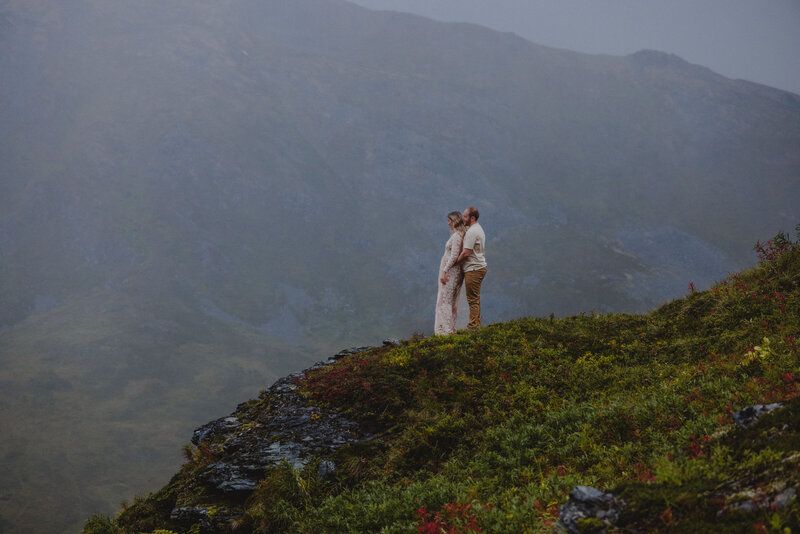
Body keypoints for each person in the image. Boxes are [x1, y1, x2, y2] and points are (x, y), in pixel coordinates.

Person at [434, 211, 466, 335]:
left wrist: (445, 270)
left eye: (450, 221)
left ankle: (445, 330)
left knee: (445, 300)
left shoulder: (457, 236)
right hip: (451, 270)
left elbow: (454, 256)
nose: (448, 223)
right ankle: (447, 328)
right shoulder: (458, 235)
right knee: (448, 299)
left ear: (455, 221)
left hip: (451, 271)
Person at [456, 206, 487, 329]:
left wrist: (455, 262)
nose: (463, 218)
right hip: (478, 267)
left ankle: (473, 327)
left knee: (472, 299)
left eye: (465, 216)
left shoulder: (472, 232)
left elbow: (466, 252)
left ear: (472, 218)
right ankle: (476, 324)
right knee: (475, 298)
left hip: (473, 269)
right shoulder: (477, 229)